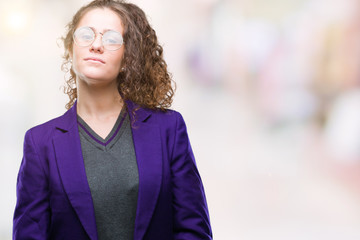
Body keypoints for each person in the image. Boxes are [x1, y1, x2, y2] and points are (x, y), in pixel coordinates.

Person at [12, 0, 212, 239]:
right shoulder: (40, 142)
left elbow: (193, 230)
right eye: (86, 35)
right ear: (70, 48)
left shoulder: (168, 129)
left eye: (111, 39)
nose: (96, 45)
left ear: (127, 57)